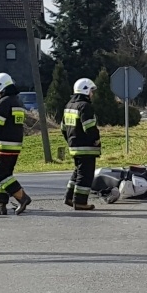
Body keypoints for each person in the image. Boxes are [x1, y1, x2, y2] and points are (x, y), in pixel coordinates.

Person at [0, 73, 32, 216]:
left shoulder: (4, 101)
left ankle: (22, 197)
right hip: (16, 143)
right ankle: (1, 205)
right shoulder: (17, 101)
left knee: (1, 173)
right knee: (5, 174)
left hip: (4, 143)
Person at [61, 78, 101, 210]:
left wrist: (70, 141)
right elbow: (89, 127)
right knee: (85, 175)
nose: (92, 94)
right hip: (86, 147)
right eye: (91, 91)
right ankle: (80, 201)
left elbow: (63, 127)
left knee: (78, 172)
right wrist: (96, 139)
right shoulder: (85, 106)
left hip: (74, 146)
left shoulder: (69, 106)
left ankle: (69, 197)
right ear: (86, 90)